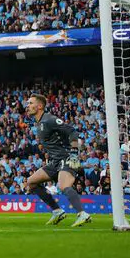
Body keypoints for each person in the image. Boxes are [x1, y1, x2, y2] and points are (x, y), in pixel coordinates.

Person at [24, 93, 92, 227]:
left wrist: (73, 153)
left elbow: (72, 131)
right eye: (28, 103)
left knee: (63, 186)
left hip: (66, 158)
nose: (28, 106)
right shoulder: (38, 123)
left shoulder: (50, 119)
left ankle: (82, 214)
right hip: (55, 161)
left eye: (31, 103)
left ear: (40, 106)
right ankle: (57, 211)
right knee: (31, 182)